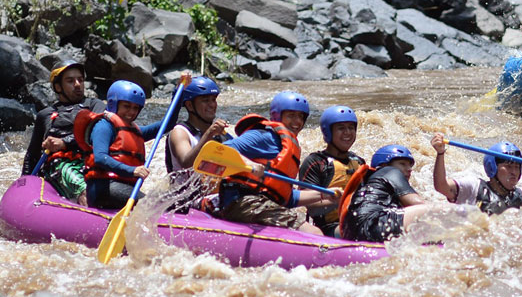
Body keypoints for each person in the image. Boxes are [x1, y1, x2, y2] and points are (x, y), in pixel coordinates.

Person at [216, 93, 330, 235]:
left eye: (301, 116)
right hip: (242, 201)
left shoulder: (289, 147)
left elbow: (288, 198)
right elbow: (221, 150)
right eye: (291, 115)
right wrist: (249, 164)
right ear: (277, 116)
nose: (297, 121)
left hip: (261, 204)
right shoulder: (263, 136)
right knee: (313, 233)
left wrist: (327, 196)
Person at [75, 80, 178, 209]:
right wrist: (132, 170)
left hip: (123, 188)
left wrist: (178, 93)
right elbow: (100, 158)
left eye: (135, 108)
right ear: (114, 104)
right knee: (154, 206)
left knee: (171, 204)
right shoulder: (104, 126)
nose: (131, 112)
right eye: (126, 106)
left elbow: (167, 124)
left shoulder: (135, 130)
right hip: (104, 187)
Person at [22, 60, 105, 205]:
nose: (78, 84)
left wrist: (63, 143)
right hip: (61, 165)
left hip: (92, 160)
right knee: (86, 190)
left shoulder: (95, 105)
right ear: (58, 86)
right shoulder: (45, 114)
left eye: (80, 79)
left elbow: (93, 130)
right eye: (70, 81)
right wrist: (24, 187)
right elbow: (32, 155)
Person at [430, 134, 522, 215]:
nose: (514, 171)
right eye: (507, 166)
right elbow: (441, 186)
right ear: (492, 167)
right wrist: (440, 153)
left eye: (516, 167)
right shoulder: (473, 187)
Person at [338, 145, 434, 243]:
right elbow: (418, 203)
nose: (409, 169)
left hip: (354, 233)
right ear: (383, 165)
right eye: (402, 164)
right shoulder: (389, 171)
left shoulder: (373, 185)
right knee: (441, 212)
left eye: (410, 165)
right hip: (372, 224)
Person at [165, 76, 230, 211]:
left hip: (210, 195)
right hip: (184, 200)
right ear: (189, 105)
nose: (212, 105)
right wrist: (209, 135)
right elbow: (186, 162)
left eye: (213, 100)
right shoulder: (180, 132)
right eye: (205, 100)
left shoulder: (220, 135)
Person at [298, 105, 365, 237]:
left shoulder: (359, 162)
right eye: (341, 128)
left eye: (351, 128)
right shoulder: (316, 162)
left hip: (359, 221)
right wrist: (341, 201)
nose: (347, 132)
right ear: (328, 132)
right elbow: (311, 207)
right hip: (329, 228)